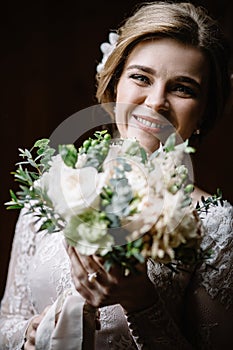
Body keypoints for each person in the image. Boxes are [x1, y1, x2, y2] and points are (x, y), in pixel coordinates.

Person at [0, 1, 233, 349]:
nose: (155, 102)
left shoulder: (216, 224)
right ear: (114, 86)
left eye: (182, 88)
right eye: (141, 77)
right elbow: (7, 323)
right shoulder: (50, 188)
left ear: (203, 112)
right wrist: (30, 333)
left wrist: (142, 303)